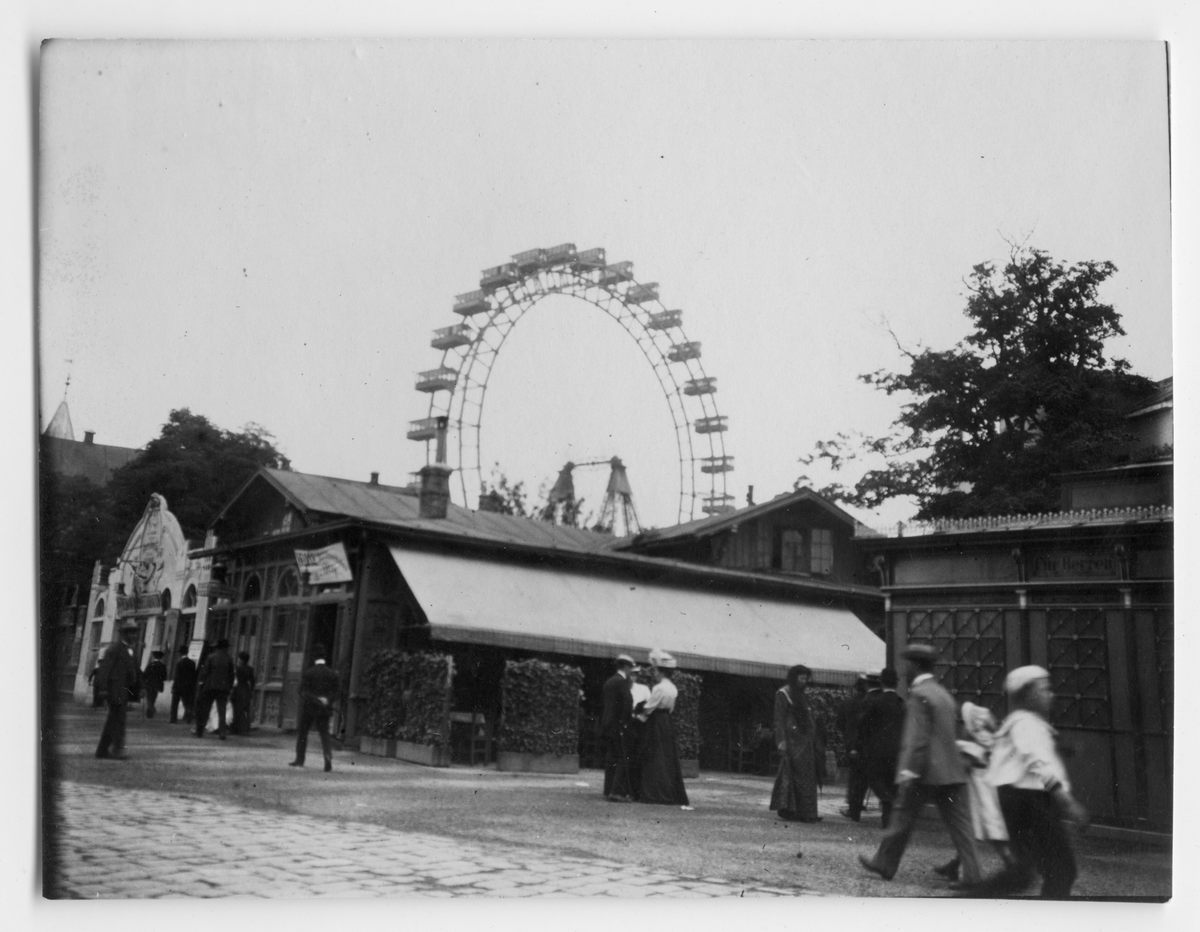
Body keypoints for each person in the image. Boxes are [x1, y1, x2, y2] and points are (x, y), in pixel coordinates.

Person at [859, 643, 982, 888]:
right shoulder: (943, 694)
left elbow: (918, 738)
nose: (905, 671)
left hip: (924, 772)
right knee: (962, 828)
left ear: (914, 666)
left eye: (908, 665)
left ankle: (884, 863)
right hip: (953, 772)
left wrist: (908, 771)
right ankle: (973, 876)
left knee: (901, 818)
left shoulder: (919, 695)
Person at [974, 666, 1088, 899]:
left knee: (1032, 871)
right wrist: (1066, 801)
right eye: (1044, 689)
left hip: (1024, 800)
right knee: (1061, 870)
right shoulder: (1025, 723)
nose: (1050, 695)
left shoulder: (1026, 723)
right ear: (1026, 694)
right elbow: (1036, 761)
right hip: (1028, 801)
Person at [933, 701, 1014, 880]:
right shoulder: (990, 736)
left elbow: (972, 757)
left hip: (980, 785)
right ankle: (954, 865)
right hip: (983, 782)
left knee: (984, 824)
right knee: (977, 826)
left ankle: (1010, 864)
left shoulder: (979, 739)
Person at [843, 666, 906, 826]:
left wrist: (856, 746)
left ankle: (886, 800)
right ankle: (887, 821)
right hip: (897, 751)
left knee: (873, 778)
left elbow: (862, 726)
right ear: (897, 684)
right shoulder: (901, 704)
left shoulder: (875, 703)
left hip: (876, 751)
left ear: (882, 683)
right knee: (892, 784)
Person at [636, 649, 689, 806]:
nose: (655, 674)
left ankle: (654, 792)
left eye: (656, 671)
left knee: (655, 756)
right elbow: (670, 708)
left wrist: (639, 711)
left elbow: (649, 707)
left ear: (660, 672)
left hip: (656, 722)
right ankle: (666, 790)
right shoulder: (673, 688)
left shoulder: (659, 688)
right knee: (666, 757)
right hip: (667, 721)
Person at [770, 664, 821, 822]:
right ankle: (791, 810)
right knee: (792, 777)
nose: (805, 681)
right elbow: (779, 719)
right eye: (802, 678)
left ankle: (807, 812)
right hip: (792, 743)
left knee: (807, 778)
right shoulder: (783, 694)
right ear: (794, 678)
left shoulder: (803, 695)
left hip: (806, 743)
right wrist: (781, 742)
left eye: (806, 679)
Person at [95, 621, 142, 759]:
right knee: (118, 720)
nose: (133, 636)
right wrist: (103, 689)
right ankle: (117, 750)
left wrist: (141, 686)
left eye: (135, 633)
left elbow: (135, 670)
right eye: (130, 633)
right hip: (113, 690)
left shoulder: (130, 650)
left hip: (123, 691)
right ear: (123, 634)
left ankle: (102, 751)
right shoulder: (114, 649)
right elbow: (104, 670)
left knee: (113, 720)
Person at [290, 644, 340, 771]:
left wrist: (316, 699)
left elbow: (302, 691)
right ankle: (327, 757)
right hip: (324, 708)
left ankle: (299, 759)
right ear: (325, 658)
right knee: (324, 734)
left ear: (314, 657)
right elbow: (337, 692)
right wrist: (327, 700)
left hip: (310, 708)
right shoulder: (332, 674)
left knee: (303, 733)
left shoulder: (309, 673)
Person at [600, 654, 636, 801]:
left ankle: (608, 790)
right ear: (626, 667)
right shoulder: (622, 682)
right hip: (618, 724)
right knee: (622, 757)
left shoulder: (610, 681)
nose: (631, 671)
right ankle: (616, 792)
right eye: (630, 668)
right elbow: (628, 702)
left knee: (612, 758)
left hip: (607, 724)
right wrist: (626, 721)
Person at [837, 675, 871, 818]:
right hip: (867, 744)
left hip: (850, 743)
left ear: (855, 688)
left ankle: (853, 805)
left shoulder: (846, 703)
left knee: (854, 776)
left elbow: (839, 724)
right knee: (864, 776)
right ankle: (858, 803)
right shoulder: (869, 703)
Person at [195, 638, 235, 739]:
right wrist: (229, 687)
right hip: (223, 688)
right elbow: (231, 675)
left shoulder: (211, 657)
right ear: (226, 648)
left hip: (210, 687)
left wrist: (201, 683)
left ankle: (200, 731)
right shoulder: (229, 658)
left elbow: (205, 672)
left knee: (205, 709)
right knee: (222, 711)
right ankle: (222, 732)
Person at [170, 645, 198, 724]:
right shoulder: (192, 663)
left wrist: (174, 686)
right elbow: (194, 675)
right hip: (188, 686)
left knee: (175, 703)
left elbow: (177, 676)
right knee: (187, 702)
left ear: (180, 653)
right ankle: (189, 715)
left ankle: (173, 719)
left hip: (179, 686)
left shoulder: (179, 663)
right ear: (187, 652)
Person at [231, 651, 257, 736]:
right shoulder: (250, 669)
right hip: (246, 690)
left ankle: (235, 728)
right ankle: (244, 729)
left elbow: (234, 680)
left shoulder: (237, 668)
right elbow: (252, 681)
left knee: (237, 710)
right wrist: (251, 690)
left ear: (241, 659)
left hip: (238, 689)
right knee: (245, 710)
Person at [141, 650, 167, 719]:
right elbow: (164, 677)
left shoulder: (150, 665)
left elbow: (144, 675)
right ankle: (149, 713)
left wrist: (144, 683)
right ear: (161, 658)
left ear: (154, 657)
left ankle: (151, 710)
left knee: (149, 698)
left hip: (149, 684)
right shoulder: (163, 666)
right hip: (157, 685)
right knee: (153, 698)